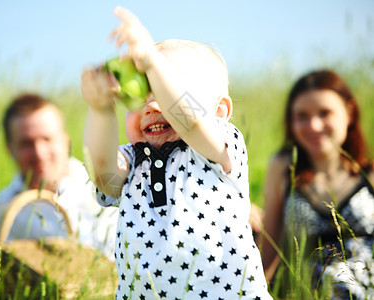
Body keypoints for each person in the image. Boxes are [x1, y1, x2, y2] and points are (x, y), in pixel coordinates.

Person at [81, 6, 272, 299]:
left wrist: (151, 63)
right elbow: (103, 172)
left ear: (220, 111)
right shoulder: (134, 161)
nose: (152, 105)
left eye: (166, 91)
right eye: (143, 93)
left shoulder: (220, 146)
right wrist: (100, 110)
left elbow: (191, 122)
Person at [260, 70, 374, 298]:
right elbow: (268, 248)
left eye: (325, 113)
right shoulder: (283, 168)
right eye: (302, 116)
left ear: (349, 113)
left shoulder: (369, 173)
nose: (313, 125)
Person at [0, 93, 117, 259]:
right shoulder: (3, 207)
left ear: (65, 140)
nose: (39, 153)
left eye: (47, 139)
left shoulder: (105, 185)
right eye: (26, 143)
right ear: (9, 149)